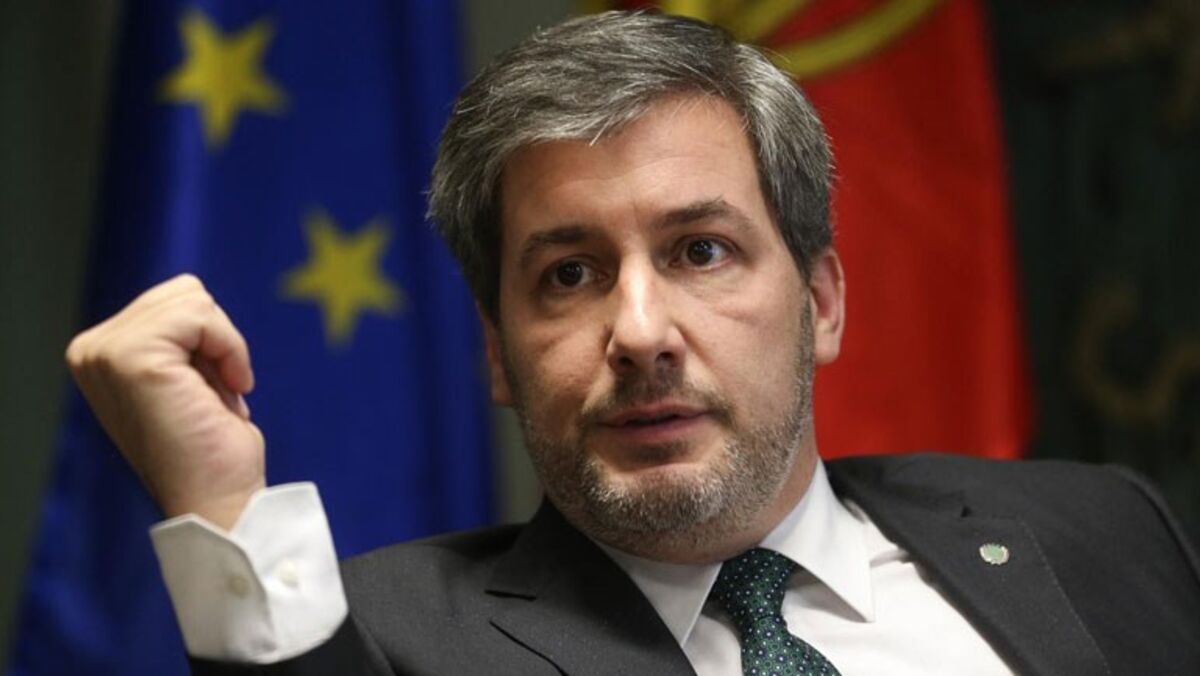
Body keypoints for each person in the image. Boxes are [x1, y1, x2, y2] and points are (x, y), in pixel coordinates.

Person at [65, 11, 1199, 676]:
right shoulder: (382, 638)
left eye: (701, 250)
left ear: (822, 302)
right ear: (498, 354)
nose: (642, 332)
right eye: (569, 274)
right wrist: (223, 507)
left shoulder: (1103, 527)